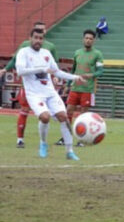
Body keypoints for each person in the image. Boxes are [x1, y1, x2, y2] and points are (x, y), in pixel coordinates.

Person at [15, 28, 84, 160]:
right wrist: (41, 69)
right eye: (35, 37)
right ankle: (43, 144)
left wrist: (74, 77)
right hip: (34, 94)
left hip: (50, 92)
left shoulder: (46, 53)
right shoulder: (23, 52)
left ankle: (69, 151)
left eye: (40, 38)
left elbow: (56, 71)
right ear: (30, 38)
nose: (38, 41)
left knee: (64, 116)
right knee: (45, 117)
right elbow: (20, 71)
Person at [5, 21, 57, 148]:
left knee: (45, 114)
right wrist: (5, 69)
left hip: (44, 87)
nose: (40, 31)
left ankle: (42, 141)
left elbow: (54, 65)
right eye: (37, 29)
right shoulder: (24, 46)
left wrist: (54, 77)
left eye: (42, 30)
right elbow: (15, 60)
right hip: (29, 86)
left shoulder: (50, 47)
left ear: (45, 31)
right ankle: (20, 139)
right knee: (24, 110)